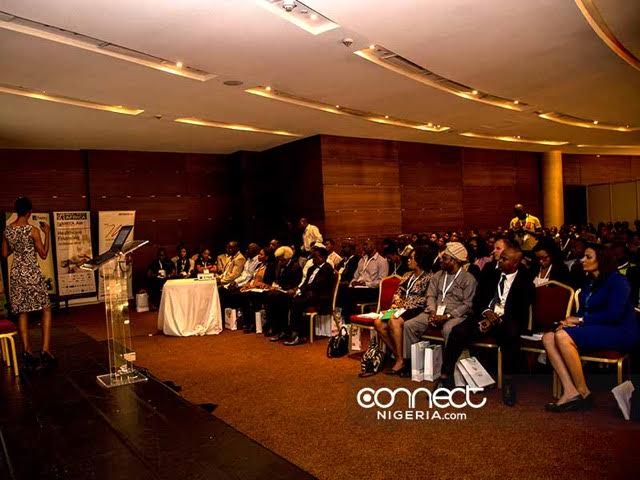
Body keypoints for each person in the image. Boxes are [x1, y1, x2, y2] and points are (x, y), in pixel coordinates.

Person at [542, 244, 640, 412]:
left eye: (588, 257)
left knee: (563, 336)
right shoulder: (589, 282)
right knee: (548, 337)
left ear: (601, 260)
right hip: (596, 329)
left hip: (620, 331)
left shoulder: (618, 281)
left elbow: (614, 315)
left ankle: (583, 392)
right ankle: (570, 391)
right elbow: (583, 311)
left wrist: (580, 320)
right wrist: (569, 322)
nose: (582, 260)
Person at [438, 246, 534, 406]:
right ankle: (445, 378)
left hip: (507, 319)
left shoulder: (525, 281)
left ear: (515, 263)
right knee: (458, 331)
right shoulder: (490, 274)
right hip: (484, 316)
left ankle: (508, 382)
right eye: (500, 257)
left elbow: (520, 311)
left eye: (504, 259)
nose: (499, 261)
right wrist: (487, 312)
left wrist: (495, 319)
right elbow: (477, 300)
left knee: (511, 335)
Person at [401, 242, 477, 376]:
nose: (441, 260)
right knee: (409, 325)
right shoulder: (438, 275)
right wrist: (432, 311)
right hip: (434, 311)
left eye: (445, 258)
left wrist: (447, 316)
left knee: (449, 330)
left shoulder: (469, 279)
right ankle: (410, 364)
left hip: (455, 315)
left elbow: (467, 304)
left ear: (455, 261)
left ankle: (448, 369)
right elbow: (430, 295)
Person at [1, 196, 54, 370]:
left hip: (16, 274)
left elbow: (4, 253)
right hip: (31, 274)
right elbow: (43, 254)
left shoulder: (8, 230)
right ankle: (45, 351)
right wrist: (47, 233)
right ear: (29, 212)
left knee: (22, 311)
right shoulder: (33, 230)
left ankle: (27, 351)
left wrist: (17, 247)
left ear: (17, 211)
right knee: (46, 309)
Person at [375, 247, 433, 375]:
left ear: (420, 260)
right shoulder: (407, 275)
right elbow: (398, 292)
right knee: (378, 323)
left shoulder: (429, 277)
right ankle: (398, 355)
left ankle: (400, 361)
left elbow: (426, 299)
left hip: (416, 309)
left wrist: (404, 303)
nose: (408, 260)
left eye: (411, 258)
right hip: (400, 308)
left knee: (394, 321)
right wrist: (396, 300)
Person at [284, 246, 335, 346]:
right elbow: (305, 283)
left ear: (323, 257)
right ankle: (287, 330)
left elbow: (318, 284)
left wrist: (302, 291)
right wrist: (298, 290)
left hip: (320, 298)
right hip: (309, 294)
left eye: (315, 257)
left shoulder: (327, 268)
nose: (313, 259)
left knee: (297, 302)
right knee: (286, 298)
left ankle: (299, 335)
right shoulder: (311, 268)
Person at [266, 246, 302, 341]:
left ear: (287, 258)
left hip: (290, 292)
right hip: (280, 290)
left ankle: (283, 330)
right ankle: (275, 327)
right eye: (278, 259)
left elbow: (297, 283)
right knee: (270, 296)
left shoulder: (296, 267)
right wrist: (275, 285)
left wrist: (286, 289)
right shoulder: (279, 265)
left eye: (282, 260)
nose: (280, 262)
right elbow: (277, 280)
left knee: (277, 299)